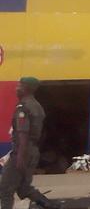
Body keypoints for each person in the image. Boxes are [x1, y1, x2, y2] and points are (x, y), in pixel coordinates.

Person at [0, 78, 57, 209]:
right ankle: (52, 206)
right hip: (32, 151)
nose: (16, 88)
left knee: (5, 189)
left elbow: (23, 133)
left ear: (27, 88)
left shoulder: (23, 107)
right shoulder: (37, 106)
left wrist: (20, 156)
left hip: (22, 151)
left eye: (20, 86)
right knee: (24, 188)